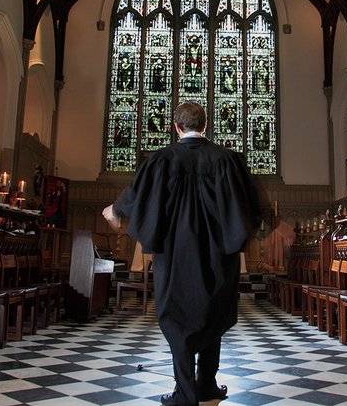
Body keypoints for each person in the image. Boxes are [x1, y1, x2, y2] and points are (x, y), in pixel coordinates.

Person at [103, 101, 262, 406]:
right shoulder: (227, 160)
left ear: (175, 127)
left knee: (178, 318)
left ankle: (186, 394)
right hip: (218, 253)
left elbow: (138, 195)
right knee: (213, 313)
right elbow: (250, 204)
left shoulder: (162, 159)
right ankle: (207, 386)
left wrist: (115, 209)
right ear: (206, 125)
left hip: (176, 254)